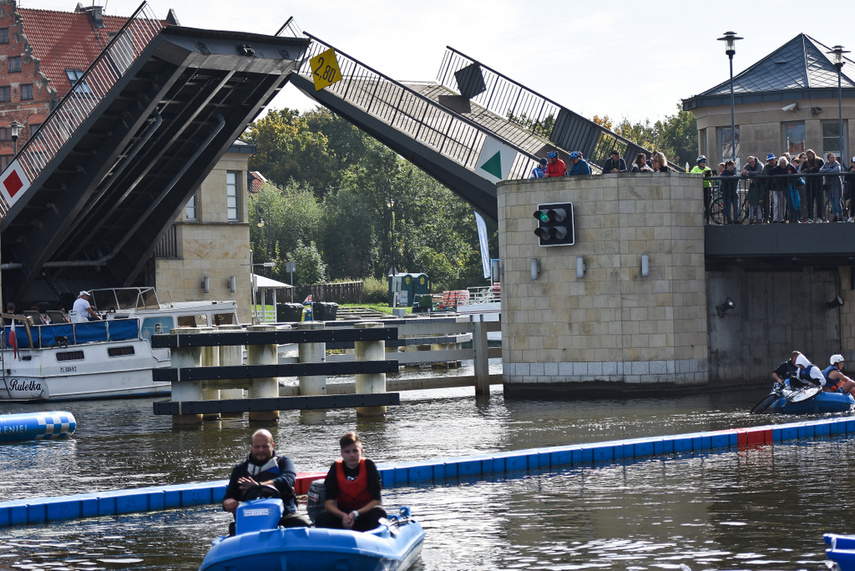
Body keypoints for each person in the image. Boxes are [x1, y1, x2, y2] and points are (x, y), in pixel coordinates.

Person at [222, 429, 310, 535]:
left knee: (303, 523)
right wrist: (228, 502)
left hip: (284, 516)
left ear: (272, 445)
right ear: (252, 446)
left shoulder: (283, 462)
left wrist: (259, 486)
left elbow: (288, 480)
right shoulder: (240, 469)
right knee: (233, 530)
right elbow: (229, 496)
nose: (261, 450)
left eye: (265, 446)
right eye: (257, 447)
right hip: (251, 518)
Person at [314, 431, 386, 532]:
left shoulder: (368, 466)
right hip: (343, 516)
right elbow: (329, 504)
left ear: (361, 451)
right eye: (347, 452)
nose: (351, 455)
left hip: (365, 514)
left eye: (355, 451)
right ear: (342, 454)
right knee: (322, 517)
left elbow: (376, 501)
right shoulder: (335, 468)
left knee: (379, 512)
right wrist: (343, 516)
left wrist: (355, 513)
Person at [801, 149, 825, 222]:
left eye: (810, 156)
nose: (809, 157)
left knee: (819, 201)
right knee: (809, 201)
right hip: (809, 184)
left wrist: (813, 169)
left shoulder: (820, 161)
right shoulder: (806, 163)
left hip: (818, 183)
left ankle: (820, 217)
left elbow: (822, 170)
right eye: (808, 156)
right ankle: (810, 217)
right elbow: (802, 171)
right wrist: (807, 170)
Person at [820, 152, 844, 222]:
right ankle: (835, 216)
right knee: (832, 202)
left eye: (834, 157)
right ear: (828, 159)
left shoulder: (837, 164)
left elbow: (835, 170)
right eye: (831, 158)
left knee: (837, 202)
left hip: (836, 186)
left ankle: (840, 215)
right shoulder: (826, 165)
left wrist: (827, 171)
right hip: (829, 186)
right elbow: (821, 171)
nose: (833, 159)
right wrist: (829, 170)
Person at [690, 156, 714, 224]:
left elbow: (711, 180)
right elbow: (692, 175)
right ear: (699, 162)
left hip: (707, 187)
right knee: (700, 204)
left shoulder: (708, 169)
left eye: (705, 161)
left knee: (707, 204)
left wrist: (711, 176)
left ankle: (708, 219)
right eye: (702, 161)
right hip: (699, 188)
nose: (704, 163)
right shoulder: (695, 168)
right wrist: (702, 174)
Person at [741, 155, 764, 224]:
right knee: (751, 208)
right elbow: (742, 175)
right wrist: (744, 173)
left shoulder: (760, 165)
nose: (752, 163)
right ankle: (751, 219)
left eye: (753, 161)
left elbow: (759, 172)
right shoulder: (747, 166)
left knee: (758, 208)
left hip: (761, 185)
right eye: (750, 162)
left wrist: (748, 173)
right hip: (752, 198)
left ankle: (760, 218)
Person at [720, 159, 739, 224]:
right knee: (727, 207)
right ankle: (729, 220)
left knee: (735, 206)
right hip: (727, 193)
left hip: (733, 192)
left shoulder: (733, 173)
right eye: (731, 166)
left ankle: (736, 219)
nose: (732, 167)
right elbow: (726, 180)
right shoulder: (724, 173)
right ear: (727, 166)